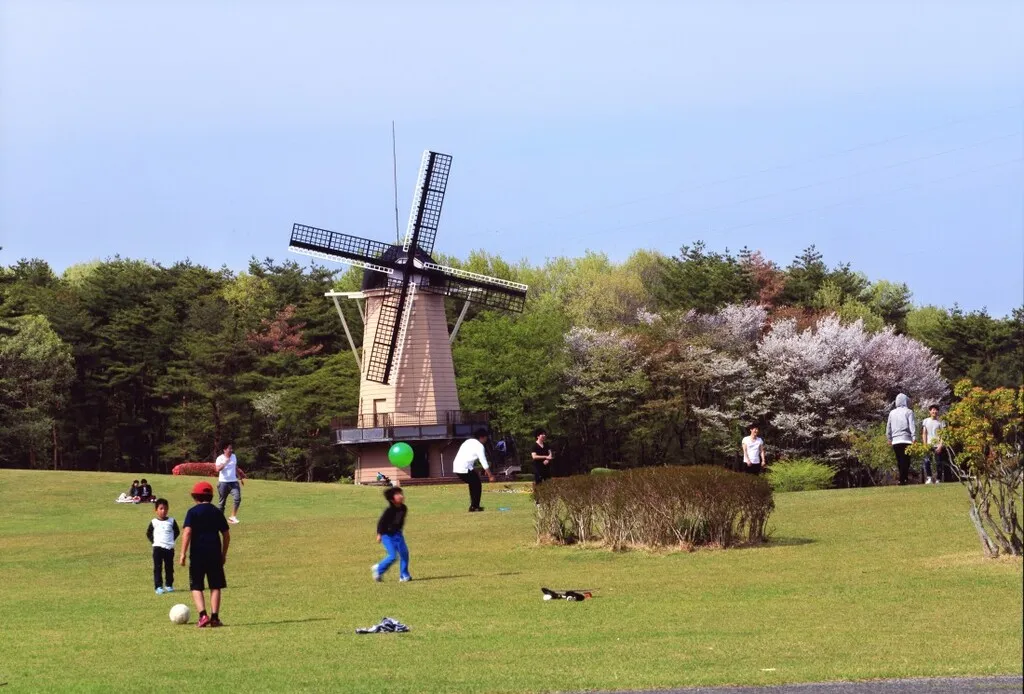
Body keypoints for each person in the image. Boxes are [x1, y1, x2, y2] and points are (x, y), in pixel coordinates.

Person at [179, 481, 230, 628]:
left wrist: (182, 553)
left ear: (195, 496)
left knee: (196, 585)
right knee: (215, 585)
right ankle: (215, 618)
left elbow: (187, 532)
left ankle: (203, 616)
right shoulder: (217, 512)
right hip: (214, 553)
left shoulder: (192, 512)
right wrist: (223, 553)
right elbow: (226, 534)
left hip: (197, 554)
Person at [371, 487, 411, 583]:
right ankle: (378, 569)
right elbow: (381, 522)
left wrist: (398, 532)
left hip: (398, 534)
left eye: (401, 494)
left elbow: (400, 522)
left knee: (404, 554)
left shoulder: (404, 508)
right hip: (387, 535)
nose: (401, 496)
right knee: (393, 556)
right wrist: (379, 534)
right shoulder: (389, 511)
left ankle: (404, 575)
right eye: (397, 495)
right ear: (392, 499)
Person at [451, 428, 495, 512]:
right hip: (464, 468)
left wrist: (475, 469)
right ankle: (475, 506)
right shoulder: (479, 446)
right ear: (482, 437)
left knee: (473, 483)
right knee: (477, 484)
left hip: (457, 466)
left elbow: (466, 457)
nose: (486, 440)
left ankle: (474, 506)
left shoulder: (468, 441)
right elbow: (483, 460)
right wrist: (490, 475)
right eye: (486, 438)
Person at [146, 498, 180, 595]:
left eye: (165, 509)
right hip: (157, 548)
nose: (163, 511)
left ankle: (169, 585)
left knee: (169, 567)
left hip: (169, 548)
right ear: (156, 510)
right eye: (161, 509)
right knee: (158, 567)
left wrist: (170, 540)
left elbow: (177, 532)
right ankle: (158, 586)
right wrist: (155, 541)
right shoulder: (153, 522)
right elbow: (148, 533)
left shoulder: (171, 521)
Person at [886, 393, 917, 486]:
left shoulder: (892, 412)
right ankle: (903, 479)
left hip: (895, 440)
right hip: (906, 439)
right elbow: (912, 425)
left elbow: (889, 426)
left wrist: (889, 437)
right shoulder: (909, 412)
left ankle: (903, 478)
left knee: (899, 460)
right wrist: (914, 436)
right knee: (906, 460)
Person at [215, 443, 242, 524]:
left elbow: (235, 467)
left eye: (231, 449)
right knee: (222, 503)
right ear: (224, 450)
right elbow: (217, 469)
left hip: (233, 482)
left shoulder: (234, 456)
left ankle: (232, 517)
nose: (231, 450)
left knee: (237, 498)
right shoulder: (220, 458)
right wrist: (225, 462)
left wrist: (239, 476)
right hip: (223, 482)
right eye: (229, 449)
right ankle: (219, 519)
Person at [922, 404, 947, 484]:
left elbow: (943, 434)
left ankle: (938, 479)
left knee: (939, 462)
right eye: (933, 410)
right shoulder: (925, 421)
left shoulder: (941, 421)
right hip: (929, 444)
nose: (934, 411)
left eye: (936, 410)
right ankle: (929, 478)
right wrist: (925, 444)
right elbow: (924, 433)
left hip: (937, 445)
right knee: (927, 461)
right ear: (930, 411)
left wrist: (940, 445)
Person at [531, 428, 554, 499]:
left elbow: (550, 454)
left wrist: (548, 459)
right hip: (538, 468)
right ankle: (538, 501)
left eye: (544, 434)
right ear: (538, 436)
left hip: (546, 468)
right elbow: (534, 456)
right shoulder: (534, 446)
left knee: (548, 483)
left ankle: (548, 498)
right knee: (539, 484)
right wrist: (545, 457)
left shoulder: (547, 445)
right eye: (542, 434)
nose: (544, 435)